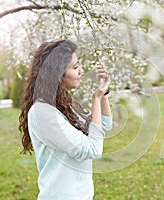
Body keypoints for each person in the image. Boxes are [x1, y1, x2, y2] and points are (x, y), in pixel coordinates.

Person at [18, 39, 112, 200]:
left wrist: (103, 94)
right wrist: (95, 99)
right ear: (57, 74)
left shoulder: (64, 104)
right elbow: (93, 149)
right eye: (75, 67)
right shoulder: (43, 113)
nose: (81, 71)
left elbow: (104, 124)